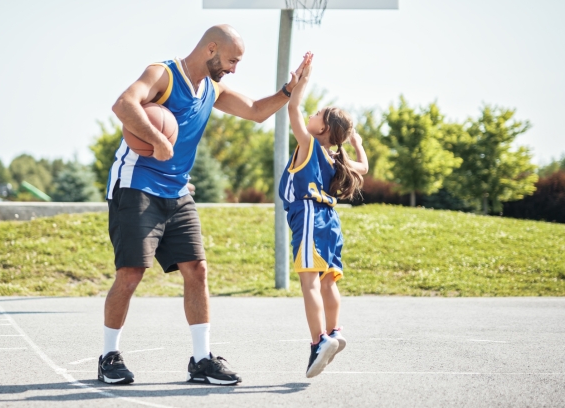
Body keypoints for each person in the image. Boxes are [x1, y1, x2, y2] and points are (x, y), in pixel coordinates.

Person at [99, 24, 313, 386]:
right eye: (231, 60)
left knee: (197, 269)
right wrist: (156, 139)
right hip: (136, 184)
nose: (233, 69)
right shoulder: (163, 74)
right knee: (131, 272)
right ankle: (109, 356)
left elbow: (257, 111)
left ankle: (200, 360)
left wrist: (290, 90)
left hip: (178, 191)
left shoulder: (211, 89)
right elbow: (123, 104)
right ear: (211, 48)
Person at [278, 55, 369, 378]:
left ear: (323, 128)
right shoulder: (339, 160)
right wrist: (357, 144)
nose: (311, 115)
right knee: (328, 281)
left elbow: (293, 109)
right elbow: (366, 168)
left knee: (308, 283)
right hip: (330, 223)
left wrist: (302, 80)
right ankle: (334, 332)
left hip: (309, 216)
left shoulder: (309, 145)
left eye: (317, 115)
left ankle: (319, 341)